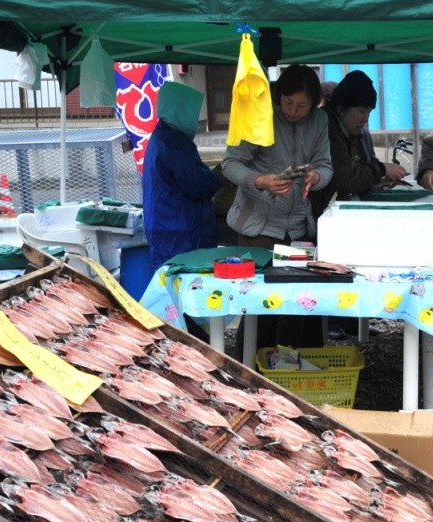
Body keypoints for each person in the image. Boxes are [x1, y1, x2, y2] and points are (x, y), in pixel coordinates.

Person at [223, 63, 332, 349]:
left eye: (302, 105)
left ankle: (285, 371)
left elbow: (325, 166)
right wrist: (260, 181)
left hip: (297, 229)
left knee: (294, 303)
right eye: (287, 102)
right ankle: (249, 372)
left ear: (315, 104)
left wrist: (316, 177)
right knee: (259, 307)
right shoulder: (261, 114)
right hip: (256, 228)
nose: (294, 111)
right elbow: (230, 163)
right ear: (277, 95)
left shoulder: (319, 121)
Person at [142, 81, 220, 270]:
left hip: (164, 225)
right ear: (181, 109)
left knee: (168, 285)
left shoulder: (160, 136)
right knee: (188, 285)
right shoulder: (175, 141)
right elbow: (197, 183)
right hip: (180, 230)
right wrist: (218, 178)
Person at [310, 70, 406, 218]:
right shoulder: (327, 128)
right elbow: (343, 178)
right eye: (362, 112)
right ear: (341, 109)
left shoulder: (356, 132)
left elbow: (363, 166)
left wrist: (377, 178)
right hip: (323, 217)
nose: (366, 120)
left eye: (369, 113)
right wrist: (381, 169)